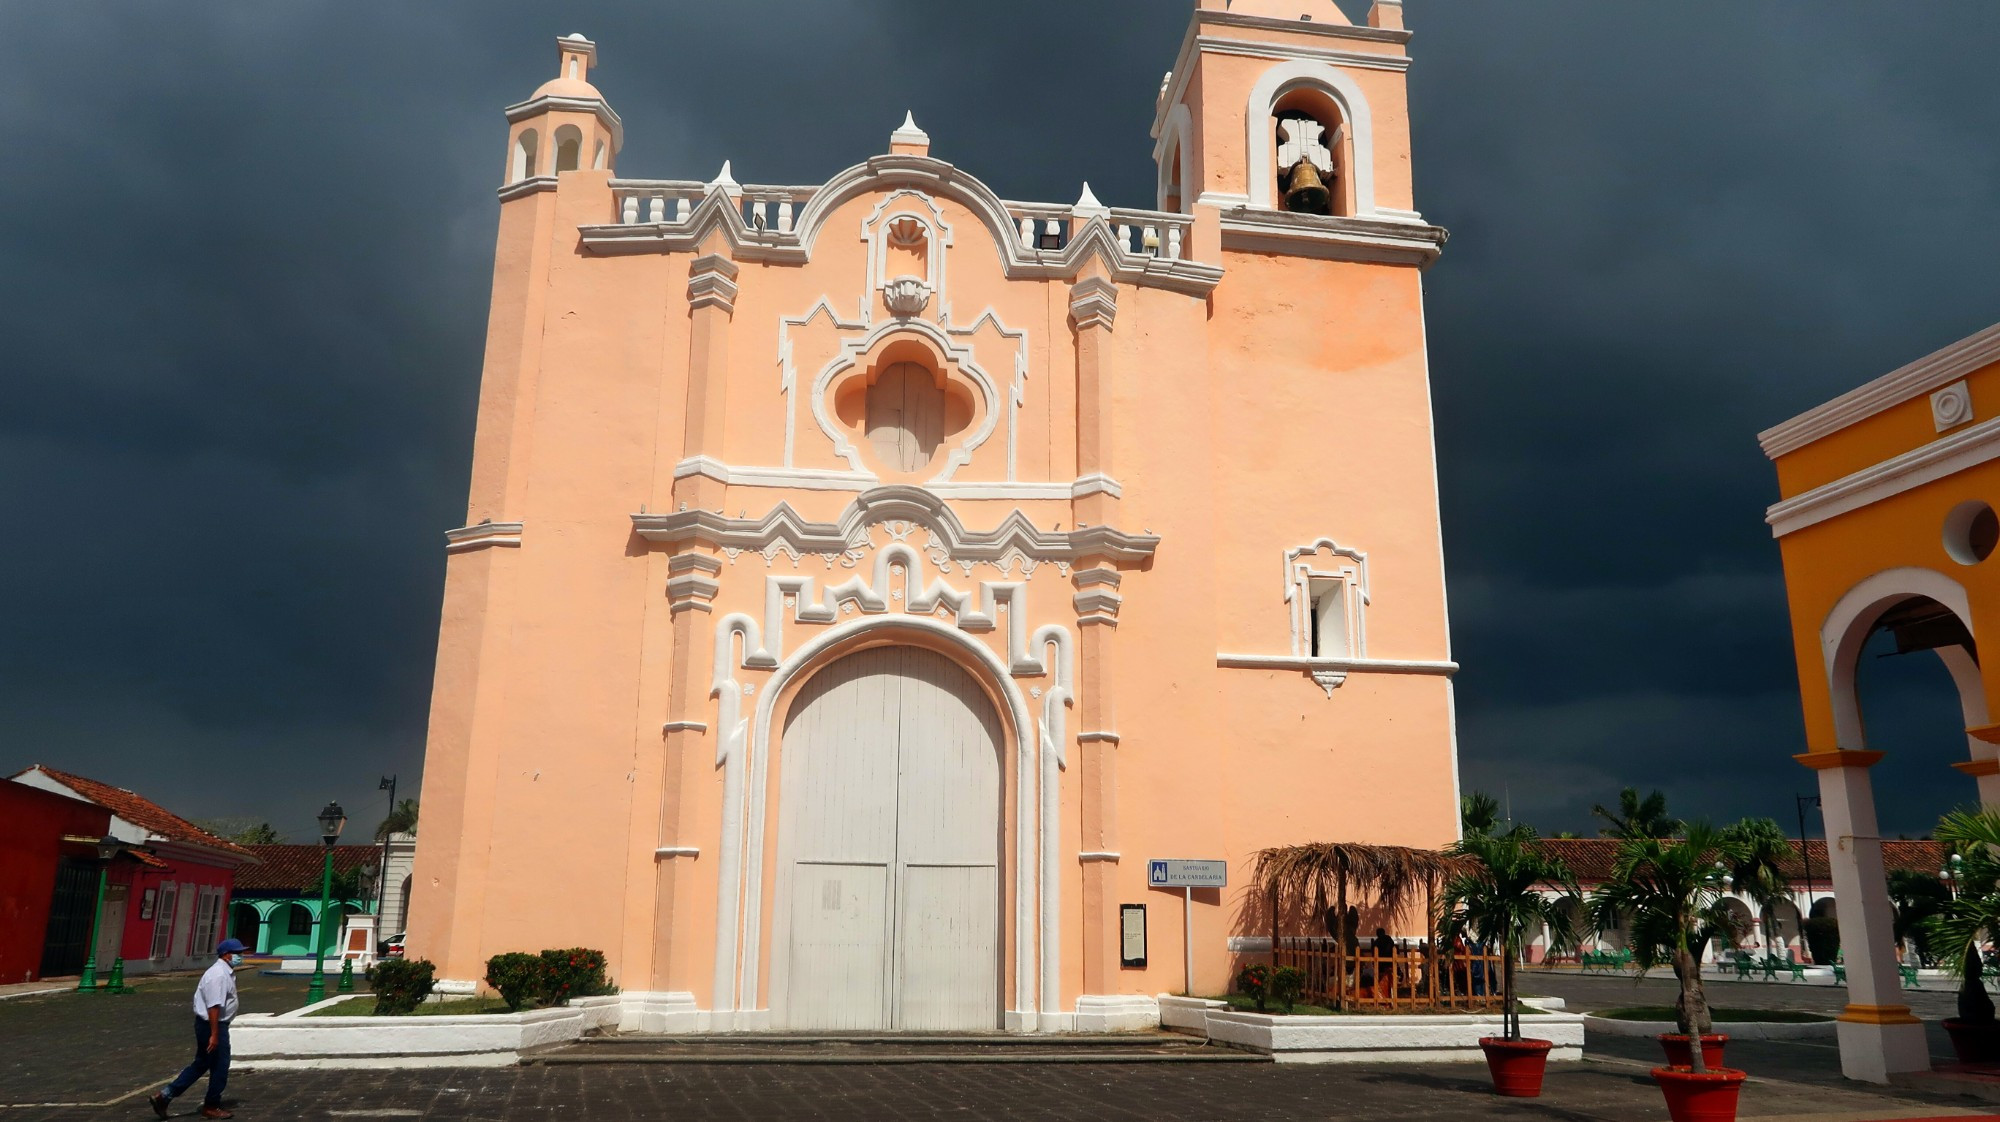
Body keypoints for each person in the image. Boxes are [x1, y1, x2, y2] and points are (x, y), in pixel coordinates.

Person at [150, 938, 246, 1120]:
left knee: (201, 1063)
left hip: (211, 1025)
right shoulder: (218, 975)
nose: (241, 956)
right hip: (213, 1026)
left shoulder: (225, 972)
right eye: (238, 953)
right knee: (220, 1067)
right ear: (226, 955)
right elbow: (214, 1006)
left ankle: (165, 1096)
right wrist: (215, 1034)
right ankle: (211, 1105)